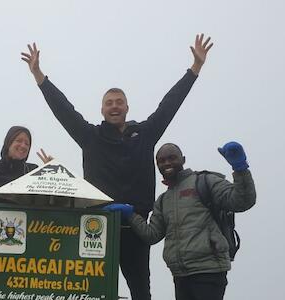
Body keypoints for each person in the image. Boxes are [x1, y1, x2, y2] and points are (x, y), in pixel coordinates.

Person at [21, 34, 213, 299]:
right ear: (102, 110)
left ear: (126, 107)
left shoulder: (145, 135)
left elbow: (169, 105)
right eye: (109, 103)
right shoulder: (90, 137)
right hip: (97, 225)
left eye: (119, 102)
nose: (114, 106)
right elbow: (63, 110)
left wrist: (195, 69)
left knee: (140, 292)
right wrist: (39, 76)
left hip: (135, 225)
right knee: (91, 291)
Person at [105, 141, 256, 300]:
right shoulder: (163, 200)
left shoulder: (205, 181)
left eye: (172, 158)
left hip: (209, 271)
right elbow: (152, 235)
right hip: (180, 275)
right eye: (161, 161)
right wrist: (130, 214)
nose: (167, 163)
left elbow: (243, 201)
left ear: (183, 159)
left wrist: (241, 169)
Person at [0, 126, 52, 293]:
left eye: (27, 143)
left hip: (21, 246)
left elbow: (47, 205)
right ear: (8, 143)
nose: (23, 146)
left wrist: (51, 172)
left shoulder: (34, 170)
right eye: (18, 141)